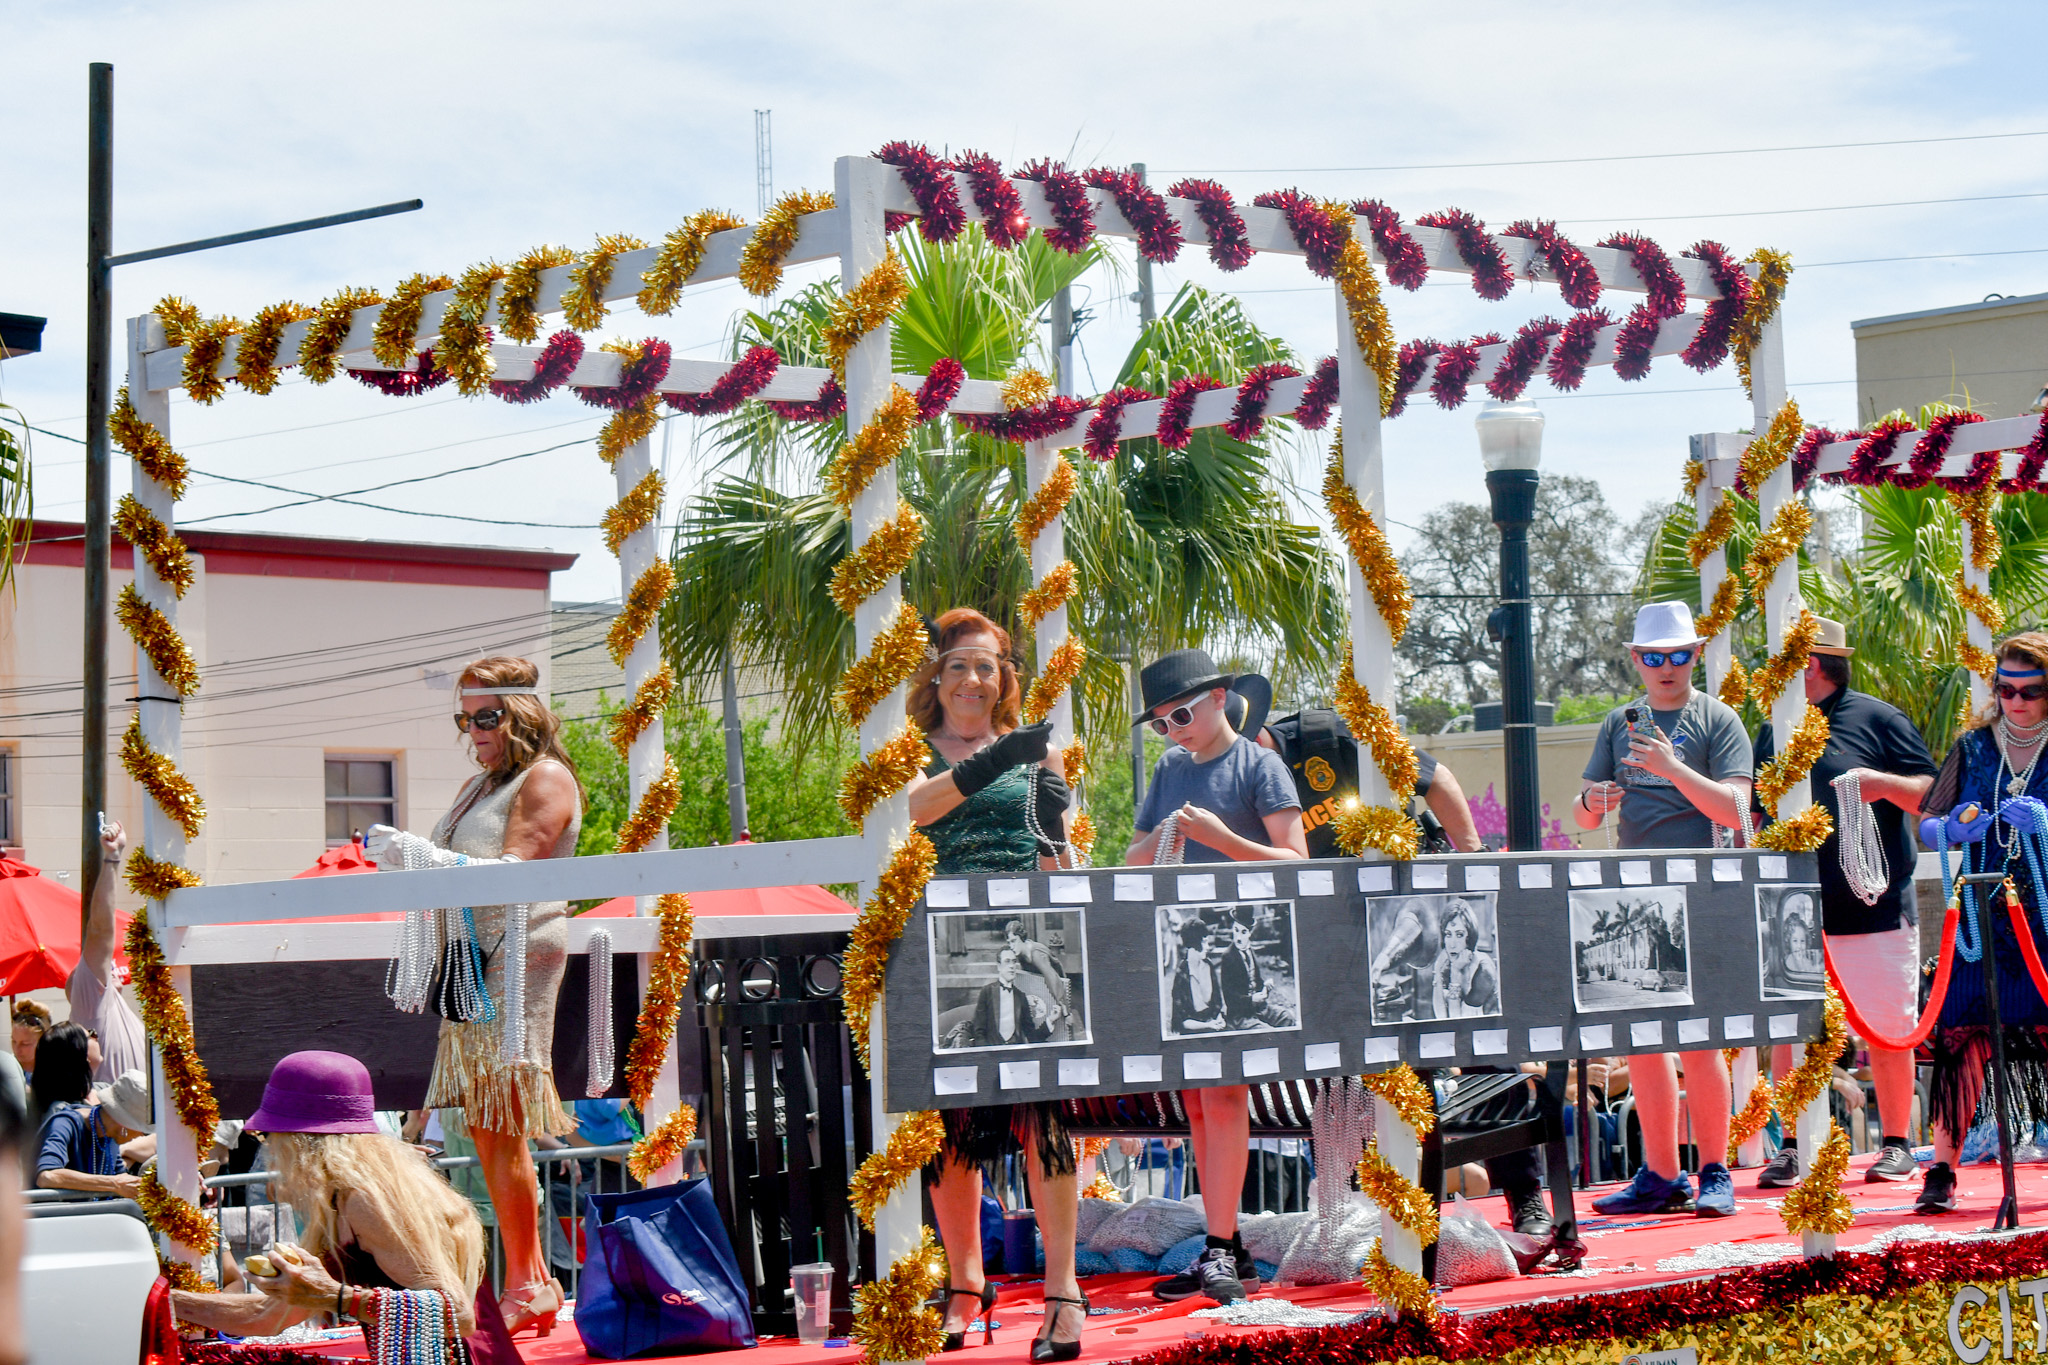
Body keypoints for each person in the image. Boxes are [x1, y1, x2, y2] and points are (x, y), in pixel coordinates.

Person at [366, 654, 581, 1335]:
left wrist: (418, 855)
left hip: (520, 953)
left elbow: (514, 871)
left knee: (501, 1120)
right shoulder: (477, 786)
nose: (473, 730)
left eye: (484, 716)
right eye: (464, 717)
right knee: (488, 1125)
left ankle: (525, 1279)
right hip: (472, 959)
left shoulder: (546, 778)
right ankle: (534, 1279)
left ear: (520, 712)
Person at [905, 607, 1083, 1364]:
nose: (973, 679)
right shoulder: (909, 752)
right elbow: (906, 814)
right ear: (937, 679)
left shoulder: (1042, 756)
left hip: (1030, 940)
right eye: (959, 666)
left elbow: (1060, 861)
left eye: (987, 667)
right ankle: (966, 1282)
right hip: (943, 946)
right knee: (951, 1131)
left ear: (1003, 678)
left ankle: (1063, 1291)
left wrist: (1051, 825)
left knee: (1046, 1121)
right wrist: (984, 765)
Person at [1125, 648, 1306, 1303]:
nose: (1172, 731)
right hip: (1183, 947)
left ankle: (1223, 1248)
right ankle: (1223, 1247)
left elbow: (1297, 862)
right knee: (1202, 1102)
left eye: (1180, 714)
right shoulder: (1171, 770)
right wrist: (1168, 833)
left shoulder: (1260, 764)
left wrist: (1221, 838)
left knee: (1223, 1096)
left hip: (1246, 949)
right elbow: (1135, 855)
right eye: (1160, 723)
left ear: (1221, 696)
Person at [1571, 602, 1752, 1219]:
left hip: (1697, 894)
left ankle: (1714, 1171)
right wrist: (1593, 799)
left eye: (1678, 655)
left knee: (1700, 1043)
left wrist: (1671, 768)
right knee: (1644, 1044)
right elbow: (1584, 814)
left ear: (1697, 655)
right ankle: (1659, 1173)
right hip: (1632, 890)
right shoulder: (1618, 722)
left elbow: (1738, 813)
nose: (1667, 667)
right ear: (1636, 660)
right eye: (1654, 657)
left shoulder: (1718, 719)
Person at [168, 1051, 519, 1359]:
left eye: (269, 1134)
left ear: (300, 1140)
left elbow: (457, 1315)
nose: (269, 1147)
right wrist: (162, 1300)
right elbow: (266, 1315)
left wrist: (334, 1296)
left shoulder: (366, 1198)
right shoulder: (343, 1196)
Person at [1749, 617, 1936, 1189]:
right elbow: (1757, 812)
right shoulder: (1773, 729)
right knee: (1790, 1031)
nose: (1768, 674)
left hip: (1872, 904)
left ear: (1808, 664)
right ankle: (1793, 1144)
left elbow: (1931, 791)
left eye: (1779, 663)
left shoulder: (1877, 718)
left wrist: (1877, 783)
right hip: (1794, 909)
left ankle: (1899, 1143)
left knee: (1885, 1026)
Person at [1913, 631, 2048, 1215]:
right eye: (2006, 690)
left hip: (2043, 917)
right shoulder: (1972, 747)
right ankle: (1942, 1169)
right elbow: (1926, 823)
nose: (2016, 702)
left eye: (2032, 691)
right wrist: (1954, 830)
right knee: (1959, 1032)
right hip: (1978, 914)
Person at [1254, 706, 1484, 856]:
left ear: (1255, 739)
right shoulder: (1237, 785)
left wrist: (1475, 860)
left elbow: (1436, 779)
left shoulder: (1332, 736)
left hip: (1407, 879)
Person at [69, 820, 147, 1085]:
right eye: (102, 970)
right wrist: (113, 857)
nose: (111, 967)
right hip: (117, 1127)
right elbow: (101, 930)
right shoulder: (92, 1005)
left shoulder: (111, 1008)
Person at [36, 1061, 149, 1199]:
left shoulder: (110, 1137)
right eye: (141, 1128)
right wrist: (114, 1184)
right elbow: (47, 1176)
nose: (142, 1135)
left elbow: (120, 1177)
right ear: (123, 1124)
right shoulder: (64, 1124)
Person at [969, 948, 1054, 1047]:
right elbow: (978, 1031)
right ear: (999, 966)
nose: (1011, 966)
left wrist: (1050, 1020)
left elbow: (1031, 1035)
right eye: (1007, 961)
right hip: (992, 1054)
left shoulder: (1021, 996)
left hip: (1015, 1054)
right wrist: (986, 1055)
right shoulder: (987, 992)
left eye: (1014, 962)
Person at [1433, 900, 1500, 1019]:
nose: (1452, 944)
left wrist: (1455, 972)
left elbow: (1458, 1022)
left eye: (1459, 935)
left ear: (1470, 937)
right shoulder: (1448, 961)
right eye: (1448, 934)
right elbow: (1440, 1015)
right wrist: (1437, 968)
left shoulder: (1484, 970)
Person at [1003, 920, 1072, 1026]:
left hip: (1057, 987)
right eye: (1009, 942)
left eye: (1014, 941)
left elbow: (1053, 979)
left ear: (1021, 938)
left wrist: (1066, 1011)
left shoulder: (1036, 954)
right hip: (1041, 984)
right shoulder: (1020, 952)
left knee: (1061, 1024)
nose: (1011, 946)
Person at [10, 1001, 49, 1078]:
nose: (17, 1049)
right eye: (14, 1041)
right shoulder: (6, 1067)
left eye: (25, 1044)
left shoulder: (56, 1070)